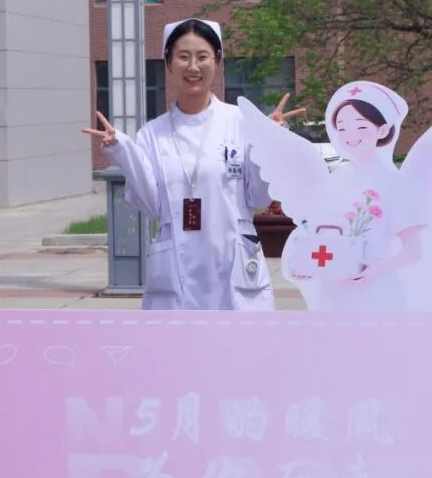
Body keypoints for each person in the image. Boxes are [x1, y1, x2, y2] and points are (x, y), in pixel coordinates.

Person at [82, 18, 304, 311]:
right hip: (176, 268)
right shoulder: (153, 133)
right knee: (177, 340)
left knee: (241, 340)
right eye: (183, 57)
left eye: (202, 57)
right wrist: (121, 151)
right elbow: (152, 205)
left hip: (233, 264)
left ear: (217, 60)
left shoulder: (241, 122)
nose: (193, 67)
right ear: (168, 63)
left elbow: (258, 198)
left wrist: (269, 143)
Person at [280, 82, 429, 312]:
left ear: (382, 130)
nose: (350, 136)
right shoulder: (336, 179)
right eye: (342, 128)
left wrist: (377, 269)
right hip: (332, 296)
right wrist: (307, 265)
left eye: (361, 126)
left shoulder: (394, 183)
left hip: (377, 295)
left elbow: (413, 250)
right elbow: (317, 232)